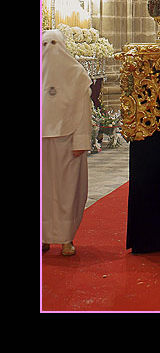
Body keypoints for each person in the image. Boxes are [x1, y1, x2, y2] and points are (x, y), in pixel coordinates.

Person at [41, 29, 92, 256]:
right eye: (45, 44)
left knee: (67, 192)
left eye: (54, 43)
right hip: (42, 142)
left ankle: (66, 239)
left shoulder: (77, 75)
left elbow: (84, 110)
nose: (49, 49)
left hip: (68, 141)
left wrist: (81, 140)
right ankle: (43, 237)